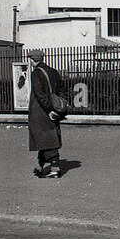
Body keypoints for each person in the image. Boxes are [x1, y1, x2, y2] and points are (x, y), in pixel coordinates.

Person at [27, 49, 67, 179]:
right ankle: (41, 166)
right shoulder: (54, 71)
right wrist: (56, 109)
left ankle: (55, 169)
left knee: (47, 139)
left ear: (32, 59)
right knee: (44, 138)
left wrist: (49, 110)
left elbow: (40, 95)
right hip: (54, 109)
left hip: (41, 111)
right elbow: (61, 90)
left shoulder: (36, 74)